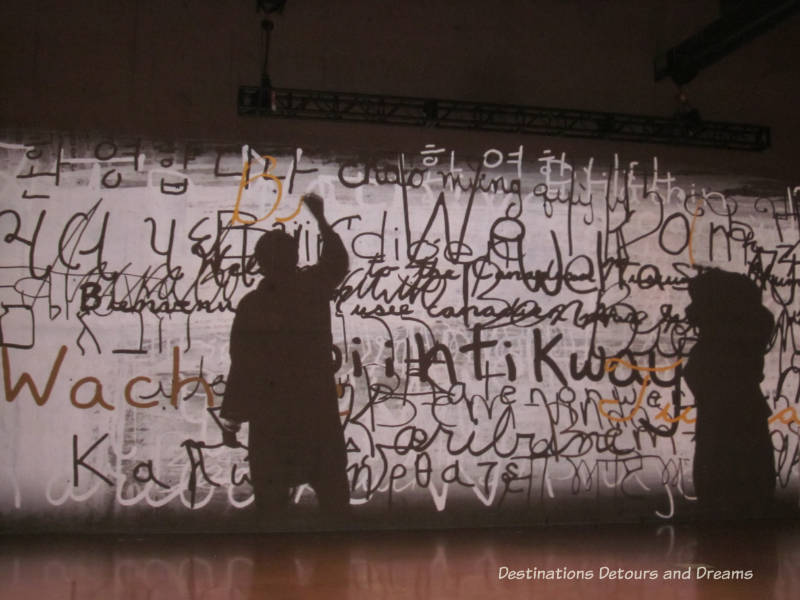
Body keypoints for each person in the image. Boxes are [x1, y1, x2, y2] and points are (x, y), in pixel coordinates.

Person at [220, 193, 350, 524]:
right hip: (316, 413)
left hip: (272, 420)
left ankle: (273, 562)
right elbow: (337, 261)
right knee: (334, 500)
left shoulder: (252, 306)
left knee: (272, 506)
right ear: (294, 258)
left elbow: (243, 365)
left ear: (260, 263)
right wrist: (320, 219)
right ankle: (338, 565)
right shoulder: (313, 289)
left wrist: (233, 419)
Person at [684, 268, 775, 519]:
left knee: (729, 513)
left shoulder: (724, 350)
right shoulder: (740, 343)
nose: (689, 311)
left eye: (698, 301)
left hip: (724, 436)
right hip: (728, 431)